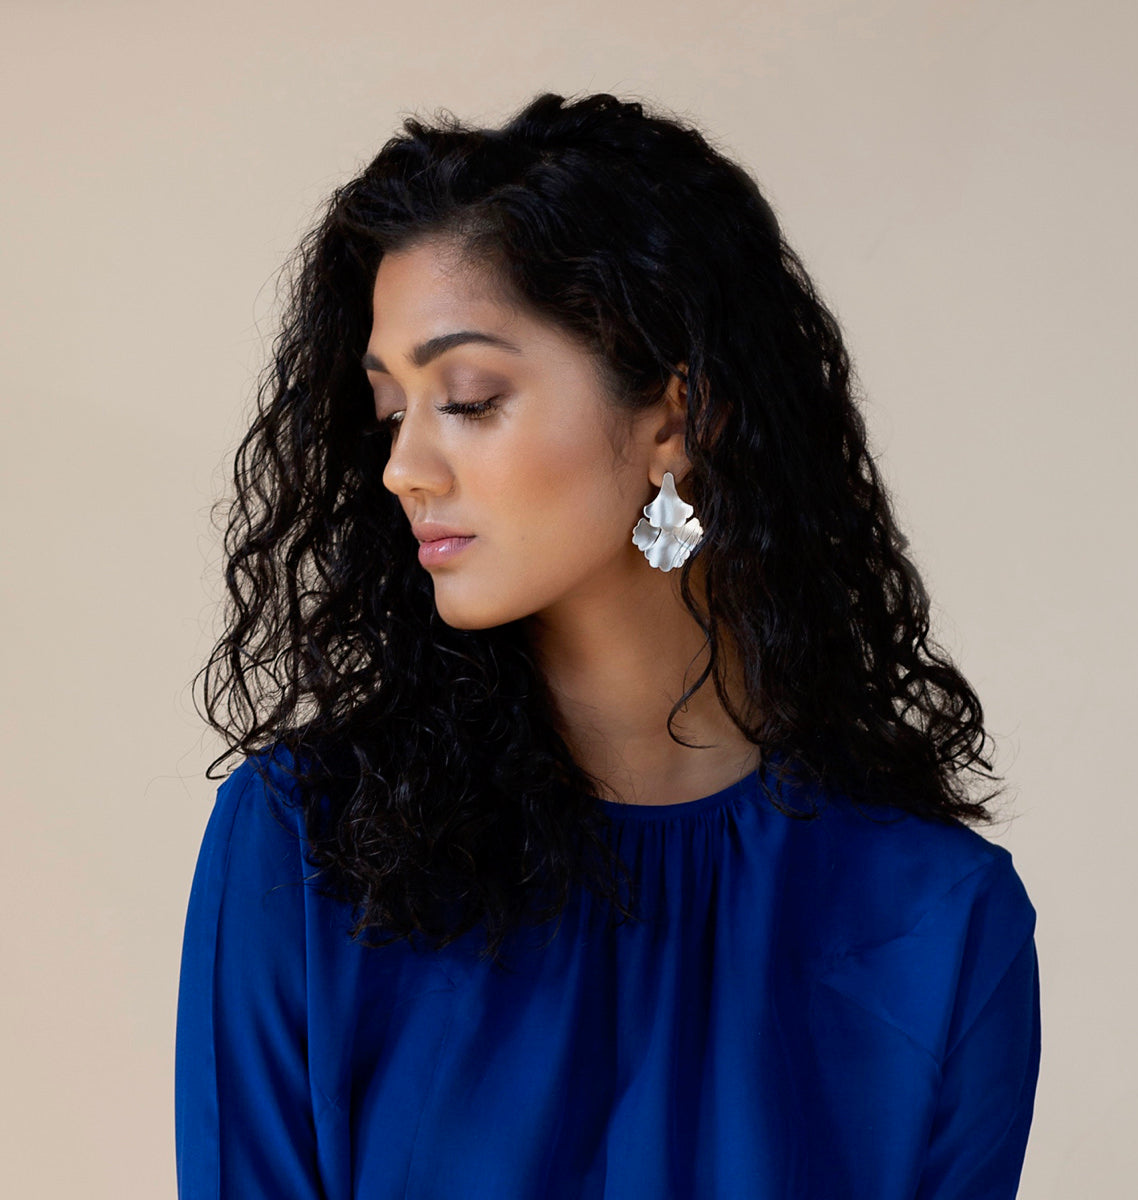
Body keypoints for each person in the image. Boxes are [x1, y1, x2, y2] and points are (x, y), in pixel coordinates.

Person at [175, 91, 1040, 1199]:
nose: (404, 467)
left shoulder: (936, 921)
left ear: (675, 418)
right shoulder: (310, 850)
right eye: (393, 410)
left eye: (470, 397)